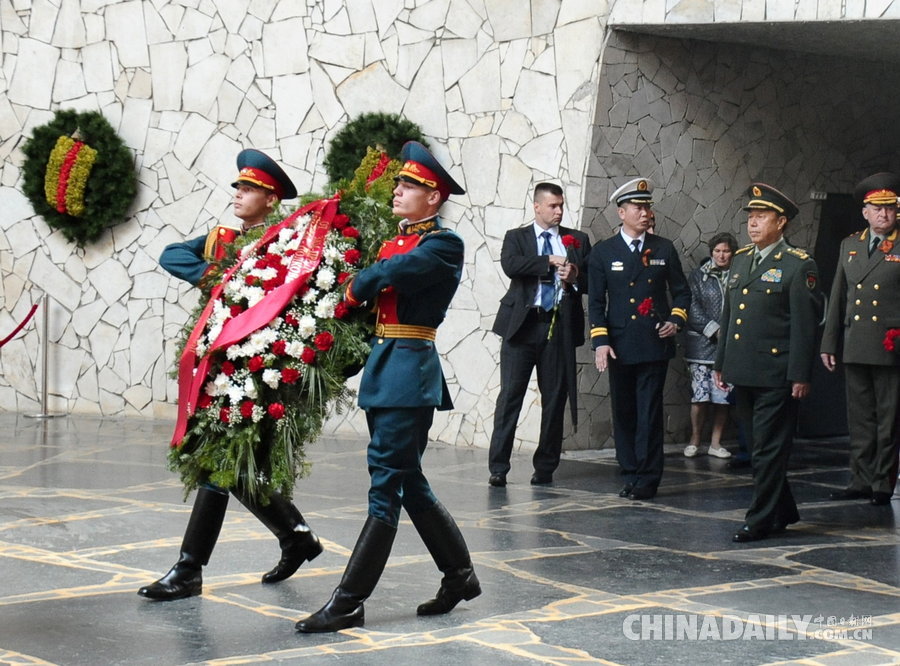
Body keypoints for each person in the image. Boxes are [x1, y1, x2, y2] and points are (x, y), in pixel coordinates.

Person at [295, 141, 479, 633]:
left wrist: (360, 282)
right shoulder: (394, 241)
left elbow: (394, 274)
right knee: (406, 480)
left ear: (433, 198)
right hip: (385, 369)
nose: (397, 190)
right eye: (399, 183)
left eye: (410, 185)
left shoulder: (442, 244)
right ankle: (459, 574)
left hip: (409, 372)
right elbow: (381, 279)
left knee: (385, 486)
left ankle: (349, 600)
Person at [139, 149, 323, 601]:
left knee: (221, 464)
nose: (238, 195)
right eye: (238, 188)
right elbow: (171, 254)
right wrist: (213, 278)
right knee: (227, 465)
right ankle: (295, 535)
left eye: (248, 189)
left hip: (259, 368)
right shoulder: (224, 239)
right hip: (220, 365)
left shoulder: (285, 245)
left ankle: (189, 570)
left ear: (270, 198)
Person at [714, 183, 822, 542]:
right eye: (751, 216)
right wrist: (721, 362)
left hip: (777, 373)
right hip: (743, 370)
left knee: (767, 449)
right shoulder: (742, 258)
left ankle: (759, 518)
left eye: (762, 217)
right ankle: (785, 509)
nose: (753, 223)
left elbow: (804, 328)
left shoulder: (797, 265)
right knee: (759, 447)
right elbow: (729, 316)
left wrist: (800, 375)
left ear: (782, 222)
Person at [588, 178, 690, 500]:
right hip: (619, 345)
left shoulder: (663, 248)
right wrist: (601, 341)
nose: (645, 213)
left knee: (649, 413)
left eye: (648, 207)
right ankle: (629, 470)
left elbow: (682, 293)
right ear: (622, 212)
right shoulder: (604, 251)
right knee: (625, 412)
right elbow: (595, 302)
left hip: (653, 343)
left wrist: (676, 320)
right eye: (638, 207)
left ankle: (648, 478)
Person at [487, 183, 591, 487]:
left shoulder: (577, 240)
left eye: (561, 206)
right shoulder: (517, 237)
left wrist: (574, 278)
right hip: (522, 326)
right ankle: (498, 466)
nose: (558, 211)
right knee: (510, 396)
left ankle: (545, 467)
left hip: (557, 328)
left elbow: (591, 281)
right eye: (552, 206)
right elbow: (512, 265)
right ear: (537, 207)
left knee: (555, 397)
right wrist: (548, 261)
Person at [821, 172, 900, 506]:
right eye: (876, 209)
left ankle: (882, 482)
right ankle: (860, 478)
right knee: (860, 417)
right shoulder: (850, 245)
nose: (883, 215)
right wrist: (828, 342)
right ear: (864, 212)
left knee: (888, 417)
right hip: (856, 342)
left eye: (890, 208)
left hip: (890, 343)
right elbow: (838, 295)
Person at [683, 232, 738, 459]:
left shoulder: (739, 275)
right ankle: (695, 440)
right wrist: (714, 329)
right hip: (701, 346)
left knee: (722, 398)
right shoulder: (698, 276)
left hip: (729, 348)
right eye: (717, 251)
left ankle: (716, 443)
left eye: (726, 251)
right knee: (700, 397)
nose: (721, 255)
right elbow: (691, 305)